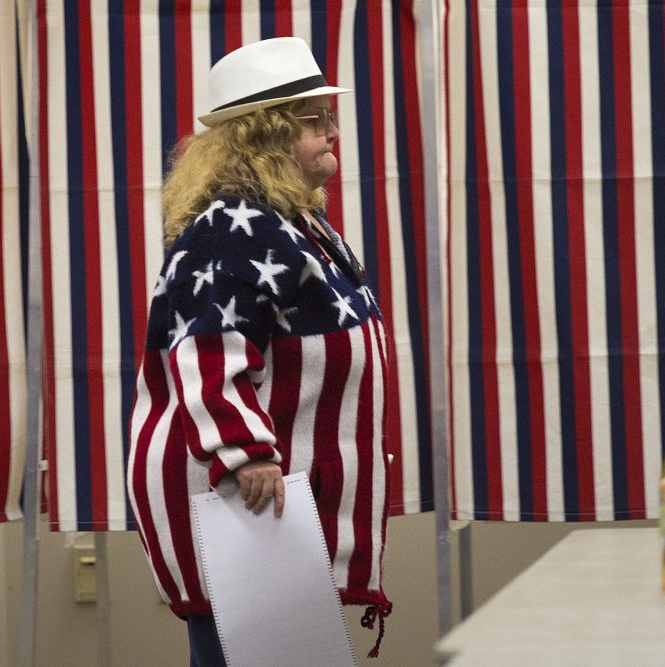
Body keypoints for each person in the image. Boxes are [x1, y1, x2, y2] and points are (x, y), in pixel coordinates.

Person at [126, 36, 392, 665]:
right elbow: (207, 351)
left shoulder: (291, 224)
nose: (333, 132)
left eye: (330, 116)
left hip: (272, 506)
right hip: (246, 501)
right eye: (313, 121)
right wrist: (245, 455)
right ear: (262, 137)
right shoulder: (231, 230)